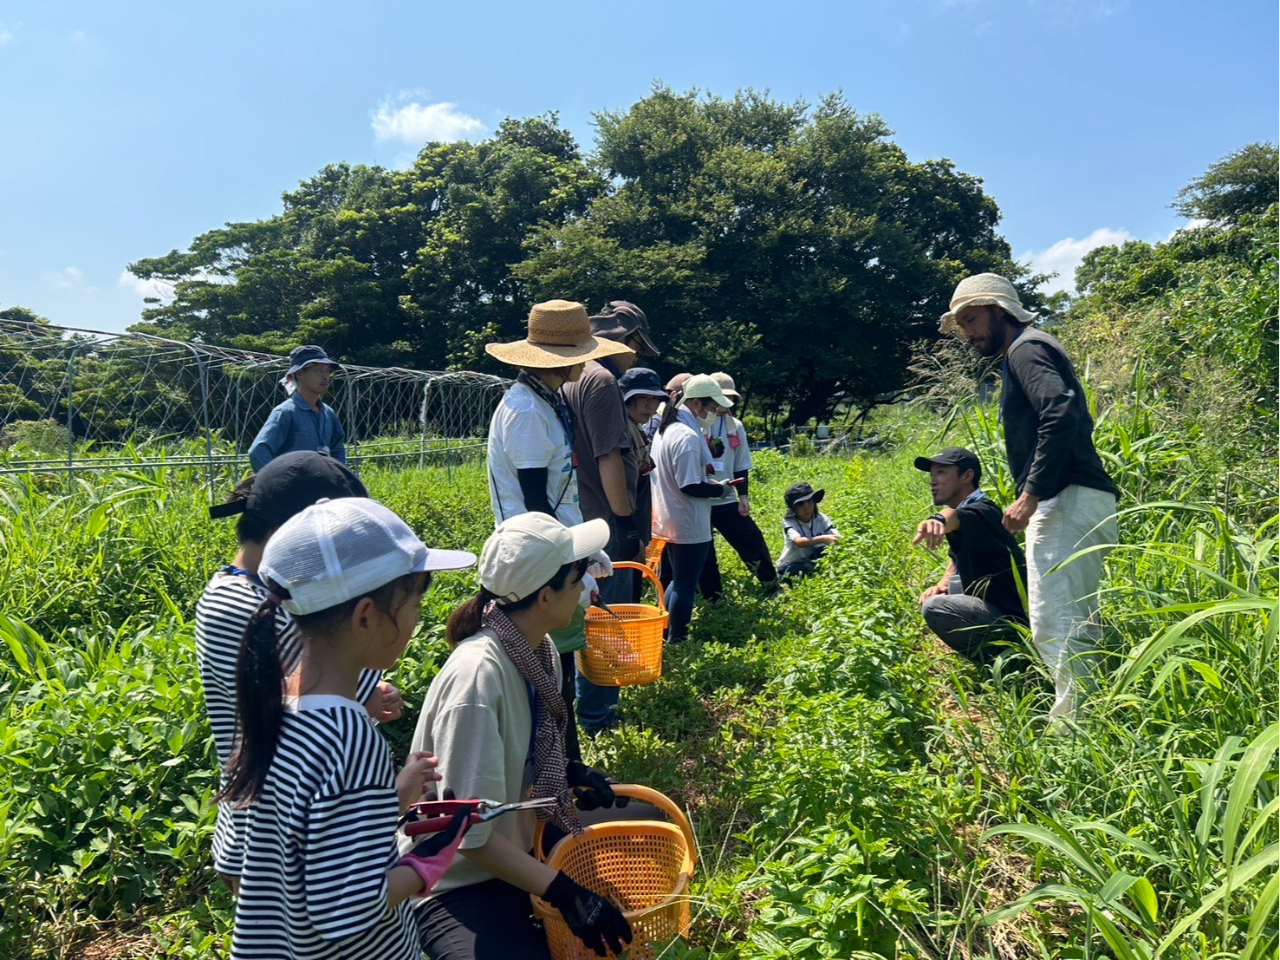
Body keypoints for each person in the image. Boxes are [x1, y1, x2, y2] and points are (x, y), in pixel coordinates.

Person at [220, 497, 477, 959]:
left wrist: (393, 797)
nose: (417, 620)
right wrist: (430, 859)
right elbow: (348, 914)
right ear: (365, 617)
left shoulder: (265, 710)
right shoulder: (349, 736)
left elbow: (238, 861)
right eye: (414, 604)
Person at [407, 513, 633, 960]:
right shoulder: (477, 679)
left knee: (644, 827)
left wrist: (568, 773)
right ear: (546, 596)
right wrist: (564, 892)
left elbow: (521, 756)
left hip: (518, 844)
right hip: (458, 880)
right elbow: (469, 836)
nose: (587, 581)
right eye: (578, 575)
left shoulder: (539, 649)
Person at [198, 452, 401, 891]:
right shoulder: (259, 609)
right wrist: (373, 691)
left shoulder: (234, 593)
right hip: (275, 817)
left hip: (264, 800)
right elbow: (326, 687)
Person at [943, 272, 1119, 719]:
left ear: (1001, 312)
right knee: (1075, 618)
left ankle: (1075, 735)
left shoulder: (1026, 348)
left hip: (1064, 497)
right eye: (960, 324)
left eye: (972, 319)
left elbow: (1059, 411)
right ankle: (1093, 715)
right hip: (1077, 496)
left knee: (1054, 622)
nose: (966, 332)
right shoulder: (1030, 347)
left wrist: (1032, 494)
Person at [483, 299, 631, 759]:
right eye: (581, 353)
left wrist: (582, 548)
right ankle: (565, 770)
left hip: (554, 548)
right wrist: (570, 562)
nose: (588, 361)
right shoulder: (527, 412)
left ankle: (564, 765)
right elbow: (534, 505)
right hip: (538, 559)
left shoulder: (546, 401)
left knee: (557, 665)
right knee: (554, 671)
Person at [561, 300, 659, 733]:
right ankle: (598, 716)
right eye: (637, 348)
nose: (636, 357)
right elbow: (609, 459)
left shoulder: (574, 379)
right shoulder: (601, 381)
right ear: (629, 342)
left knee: (590, 619)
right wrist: (624, 526)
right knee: (607, 622)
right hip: (604, 526)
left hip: (580, 518)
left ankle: (593, 711)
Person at [912, 447, 1028, 666]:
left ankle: (1008, 664)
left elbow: (954, 517)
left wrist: (937, 519)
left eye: (941, 473)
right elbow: (956, 556)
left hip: (1013, 621)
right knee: (943, 593)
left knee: (935, 608)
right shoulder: (974, 509)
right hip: (999, 612)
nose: (932, 481)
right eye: (931, 475)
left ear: (967, 476)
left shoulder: (983, 510)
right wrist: (943, 582)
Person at [651, 374, 736, 643]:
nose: (713, 413)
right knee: (685, 584)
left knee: (676, 580)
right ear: (696, 404)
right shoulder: (686, 436)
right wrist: (720, 489)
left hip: (668, 519)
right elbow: (689, 485)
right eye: (711, 408)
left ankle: (666, 632)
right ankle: (677, 638)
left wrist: (707, 483)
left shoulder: (666, 430)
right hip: (687, 520)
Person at [698, 371, 777, 598]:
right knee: (705, 551)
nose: (725, 403)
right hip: (699, 496)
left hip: (726, 495)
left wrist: (743, 497)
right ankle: (711, 597)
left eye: (730, 398)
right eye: (720, 397)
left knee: (750, 538)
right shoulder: (695, 422)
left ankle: (770, 583)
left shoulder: (735, 425)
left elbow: (741, 463)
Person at [248, 345, 347, 471]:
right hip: (296, 488)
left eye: (328, 371)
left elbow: (337, 448)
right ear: (300, 374)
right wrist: (278, 484)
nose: (325, 376)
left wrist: (339, 479)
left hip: (323, 488)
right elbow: (258, 451)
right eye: (318, 370)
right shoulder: (286, 412)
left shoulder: (328, 413)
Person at [616, 367, 668, 549]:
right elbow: (621, 489)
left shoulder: (636, 428)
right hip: (624, 532)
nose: (651, 405)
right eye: (643, 398)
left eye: (655, 399)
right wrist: (631, 534)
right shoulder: (621, 432)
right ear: (626, 399)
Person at [775, 482, 840, 578]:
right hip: (792, 563)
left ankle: (813, 570)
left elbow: (836, 535)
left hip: (812, 558)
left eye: (810, 502)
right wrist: (823, 538)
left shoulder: (821, 518)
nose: (807, 508)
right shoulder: (789, 522)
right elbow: (799, 542)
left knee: (826, 552)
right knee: (794, 572)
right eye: (801, 505)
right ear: (793, 508)